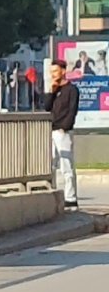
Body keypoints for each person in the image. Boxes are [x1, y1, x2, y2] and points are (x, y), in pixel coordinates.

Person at [45, 58, 80, 210]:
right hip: (51, 130)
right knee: (50, 164)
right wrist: (51, 92)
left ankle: (70, 199)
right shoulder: (54, 90)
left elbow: (72, 110)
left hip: (63, 132)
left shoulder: (72, 90)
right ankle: (51, 195)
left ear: (63, 71)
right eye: (51, 72)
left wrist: (65, 127)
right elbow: (46, 107)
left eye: (55, 71)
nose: (53, 74)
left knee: (67, 165)